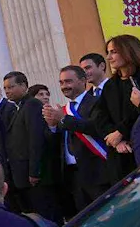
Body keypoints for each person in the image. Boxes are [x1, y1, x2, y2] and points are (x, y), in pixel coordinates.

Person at [86, 35, 140, 182]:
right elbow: (99, 115)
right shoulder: (110, 85)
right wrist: (115, 139)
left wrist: (121, 132)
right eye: (108, 52)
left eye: (113, 52)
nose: (109, 57)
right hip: (118, 154)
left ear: (128, 51)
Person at [43, 66, 111, 216]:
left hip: (97, 173)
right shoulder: (64, 109)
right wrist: (52, 127)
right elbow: (57, 144)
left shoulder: (96, 102)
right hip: (73, 177)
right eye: (61, 83)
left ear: (82, 81)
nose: (64, 86)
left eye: (68, 81)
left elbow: (95, 127)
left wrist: (63, 118)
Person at [0, 72, 60, 221]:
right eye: (5, 88)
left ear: (23, 86)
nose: (7, 91)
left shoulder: (32, 104)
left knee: (46, 216)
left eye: (11, 87)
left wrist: (35, 171)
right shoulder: (19, 107)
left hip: (34, 177)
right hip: (22, 176)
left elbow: (36, 139)